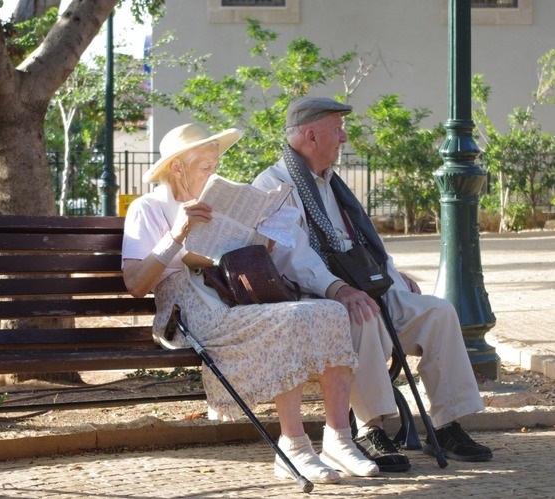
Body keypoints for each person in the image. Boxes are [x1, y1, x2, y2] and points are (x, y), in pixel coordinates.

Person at [122, 123, 380, 484]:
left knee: (330, 311)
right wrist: (176, 233)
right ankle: (293, 445)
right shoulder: (147, 208)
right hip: (187, 311)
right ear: (177, 167)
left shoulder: (215, 200)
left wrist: (261, 236)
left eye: (215, 164)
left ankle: (338, 438)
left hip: (232, 295)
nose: (214, 172)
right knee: (287, 320)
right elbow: (136, 283)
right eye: (205, 167)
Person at [252, 96, 493, 472]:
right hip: (320, 298)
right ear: (310, 135)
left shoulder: (332, 183)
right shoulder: (273, 184)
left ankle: (447, 424)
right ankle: (371, 427)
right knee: (361, 315)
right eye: (338, 129)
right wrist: (338, 289)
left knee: (438, 311)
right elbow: (291, 257)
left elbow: (362, 243)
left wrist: (393, 278)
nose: (345, 138)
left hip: (364, 287)